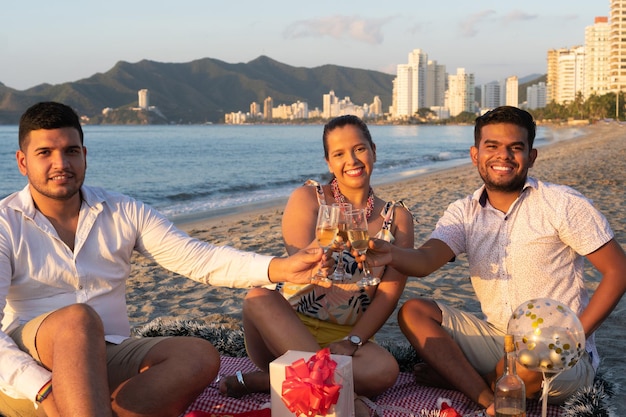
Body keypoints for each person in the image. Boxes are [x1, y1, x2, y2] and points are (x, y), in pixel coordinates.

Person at [0, 102, 328, 417]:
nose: (61, 163)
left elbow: (196, 257)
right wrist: (42, 386)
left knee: (198, 356)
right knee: (77, 320)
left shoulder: (121, 211)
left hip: (109, 351)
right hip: (33, 358)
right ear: (22, 162)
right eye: (45, 153)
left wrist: (281, 268)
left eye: (70, 151)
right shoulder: (5, 223)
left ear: (84, 156)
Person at [362, 106, 626, 415]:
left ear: (531, 156)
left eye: (515, 148)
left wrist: (573, 336)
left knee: (529, 359)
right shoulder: (464, 211)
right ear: (475, 154)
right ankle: (486, 395)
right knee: (413, 311)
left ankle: (477, 380)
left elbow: (618, 271)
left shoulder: (562, 204)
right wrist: (392, 253)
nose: (504, 156)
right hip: (499, 339)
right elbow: (426, 260)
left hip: (559, 356)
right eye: (492, 147)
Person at [218, 115, 414, 414]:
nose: (352, 160)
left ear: (374, 150)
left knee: (385, 370)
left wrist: (353, 340)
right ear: (328, 162)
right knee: (257, 297)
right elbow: (298, 254)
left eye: (359, 149)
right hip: (283, 331)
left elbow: (388, 294)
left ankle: (270, 381)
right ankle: (349, 399)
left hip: (346, 341)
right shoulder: (308, 198)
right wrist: (325, 250)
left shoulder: (397, 218)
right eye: (339, 154)